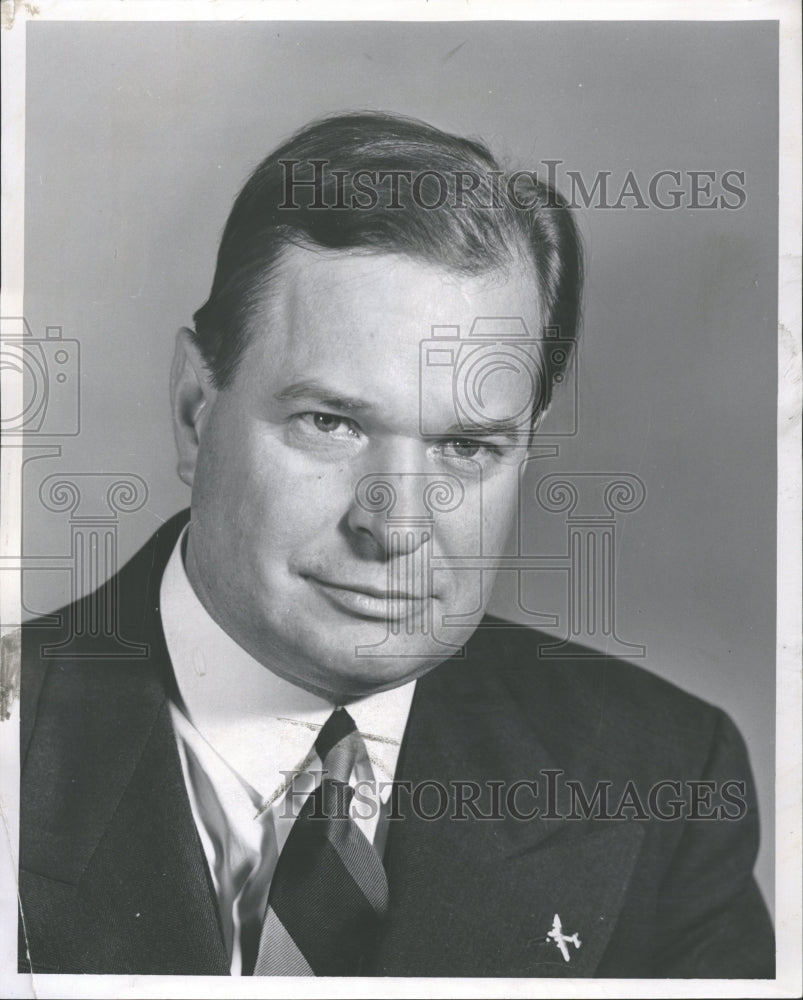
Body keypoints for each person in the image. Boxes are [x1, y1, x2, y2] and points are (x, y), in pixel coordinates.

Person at [18, 112, 774, 978]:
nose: (396, 526)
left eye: (466, 447)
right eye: (332, 422)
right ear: (196, 407)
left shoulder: (656, 779)